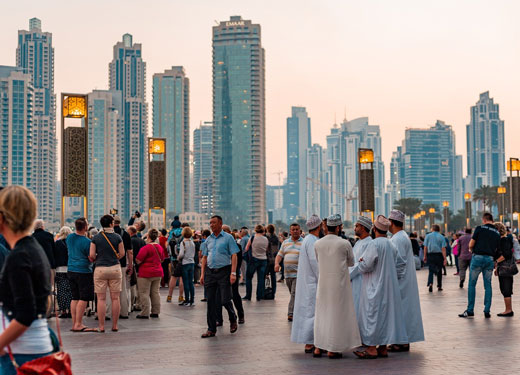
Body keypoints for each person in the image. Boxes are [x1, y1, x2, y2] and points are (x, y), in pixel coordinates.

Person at [0, 186, 54, 373]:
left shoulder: (19, 256)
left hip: (21, 355)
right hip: (33, 348)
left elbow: (25, 313)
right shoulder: (33, 248)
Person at [353, 215, 408, 359]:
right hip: (389, 288)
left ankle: (371, 348)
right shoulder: (391, 244)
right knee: (385, 317)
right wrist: (393, 278)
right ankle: (382, 348)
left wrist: (361, 261)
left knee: (371, 316)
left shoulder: (374, 244)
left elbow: (366, 266)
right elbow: (401, 264)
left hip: (373, 286)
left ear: (374, 229)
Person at [313, 214, 361, 359]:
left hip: (323, 284)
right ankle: (333, 349)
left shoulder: (318, 244)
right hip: (339, 285)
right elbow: (351, 263)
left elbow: (318, 260)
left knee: (323, 313)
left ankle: (318, 347)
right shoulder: (344, 243)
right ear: (339, 227)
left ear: (326, 227)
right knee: (337, 315)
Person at [388, 210, 425, 352]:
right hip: (404, 281)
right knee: (403, 311)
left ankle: (402, 341)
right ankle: (401, 340)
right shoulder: (401, 236)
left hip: (400, 282)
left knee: (401, 312)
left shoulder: (398, 238)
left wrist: (394, 280)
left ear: (391, 222)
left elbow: (400, 262)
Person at [199, 216, 239, 338]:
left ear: (220, 223)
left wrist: (233, 273)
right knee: (210, 301)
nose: (211, 225)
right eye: (210, 223)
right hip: (210, 272)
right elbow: (204, 257)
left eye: (214, 223)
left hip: (224, 271)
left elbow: (234, 255)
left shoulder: (228, 238)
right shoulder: (208, 240)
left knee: (225, 299)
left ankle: (232, 317)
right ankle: (211, 329)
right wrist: (202, 274)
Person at [459, 213, 500, 319]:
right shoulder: (497, 232)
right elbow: (497, 249)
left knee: (472, 284)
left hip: (478, 257)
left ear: (484, 220)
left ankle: (470, 310)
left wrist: (471, 250)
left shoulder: (479, 228)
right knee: (488, 285)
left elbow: (471, 244)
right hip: (489, 259)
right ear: (492, 220)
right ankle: (487, 310)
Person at [291, 215, 321, 354]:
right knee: (311, 312)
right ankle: (310, 342)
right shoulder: (313, 241)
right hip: (312, 283)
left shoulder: (309, 240)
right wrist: (324, 278)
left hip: (308, 282)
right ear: (319, 227)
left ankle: (310, 342)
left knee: (309, 312)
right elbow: (316, 264)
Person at [90, 215, 125, 332]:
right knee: (115, 298)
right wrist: (114, 258)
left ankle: (101, 326)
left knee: (101, 299)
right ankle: (115, 325)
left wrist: (99, 258)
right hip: (115, 268)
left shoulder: (96, 238)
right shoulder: (118, 237)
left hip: (100, 269)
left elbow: (91, 255)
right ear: (111, 223)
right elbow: (122, 253)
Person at [67, 218, 95, 332]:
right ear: (85, 227)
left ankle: (74, 323)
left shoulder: (69, 238)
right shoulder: (87, 242)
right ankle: (79, 323)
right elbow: (91, 257)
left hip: (71, 269)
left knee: (75, 297)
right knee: (83, 298)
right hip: (83, 271)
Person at [275, 223, 302, 321]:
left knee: (294, 294)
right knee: (293, 294)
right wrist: (276, 264)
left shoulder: (304, 242)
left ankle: (291, 313)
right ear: (290, 231)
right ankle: (300, 310)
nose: (295, 231)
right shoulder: (285, 243)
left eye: (296, 229)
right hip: (287, 274)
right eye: (293, 229)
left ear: (300, 231)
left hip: (299, 274)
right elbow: (279, 255)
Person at [349, 216, 376, 317]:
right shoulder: (358, 243)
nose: (354, 228)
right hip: (354, 282)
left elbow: (363, 264)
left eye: (357, 226)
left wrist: (347, 274)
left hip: (362, 282)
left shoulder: (370, 243)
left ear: (363, 228)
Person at [135, 229, 164, 318]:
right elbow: (162, 259)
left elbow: (138, 260)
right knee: (155, 292)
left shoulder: (146, 248)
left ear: (148, 237)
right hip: (158, 272)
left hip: (145, 273)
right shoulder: (159, 247)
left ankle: (145, 312)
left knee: (144, 293)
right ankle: (156, 311)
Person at [113, 216, 133, 319]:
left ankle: (108, 313)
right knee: (123, 289)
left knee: (109, 291)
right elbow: (129, 252)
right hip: (121, 264)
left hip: (109, 264)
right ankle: (124, 312)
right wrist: (130, 265)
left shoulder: (106, 234)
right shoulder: (125, 234)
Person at [494, 222, 515, 317]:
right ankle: (508, 309)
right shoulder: (503, 240)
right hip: (503, 268)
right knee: (504, 288)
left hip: (505, 268)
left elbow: (506, 254)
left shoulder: (504, 240)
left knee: (506, 288)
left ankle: (508, 310)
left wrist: (496, 262)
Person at [244, 225, 269, 301]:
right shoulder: (266, 239)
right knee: (261, 279)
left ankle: (248, 295)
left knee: (248, 278)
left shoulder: (252, 238)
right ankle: (259, 296)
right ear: (263, 231)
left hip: (254, 259)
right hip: (263, 259)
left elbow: (246, 248)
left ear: (255, 230)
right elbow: (267, 249)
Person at [54, 226, 73, 319]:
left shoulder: (57, 243)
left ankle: (63, 311)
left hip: (60, 269)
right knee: (70, 290)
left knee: (61, 291)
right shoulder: (71, 243)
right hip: (70, 268)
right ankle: (70, 310)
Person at [127, 225, 146, 311]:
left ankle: (131, 305)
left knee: (132, 286)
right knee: (140, 287)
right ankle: (139, 304)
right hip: (141, 266)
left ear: (130, 232)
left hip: (133, 265)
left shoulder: (130, 241)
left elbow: (130, 253)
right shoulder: (142, 241)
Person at [423, 224, 447, 292]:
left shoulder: (428, 236)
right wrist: (445, 258)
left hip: (430, 255)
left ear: (432, 229)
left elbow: (425, 247)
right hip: (439, 255)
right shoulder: (442, 237)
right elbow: (443, 248)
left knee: (431, 270)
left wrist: (425, 256)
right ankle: (439, 286)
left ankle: (430, 283)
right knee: (439, 270)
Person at [178, 227, 196, 306]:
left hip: (185, 263)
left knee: (186, 282)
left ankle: (187, 299)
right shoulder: (192, 242)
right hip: (192, 262)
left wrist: (178, 257)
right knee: (191, 282)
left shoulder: (183, 243)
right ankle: (192, 299)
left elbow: (181, 254)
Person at [265, 224, 280, 297]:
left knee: (265, 275)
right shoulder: (276, 238)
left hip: (268, 259)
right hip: (274, 259)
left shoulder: (267, 238)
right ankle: (273, 292)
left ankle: (264, 291)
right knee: (273, 276)